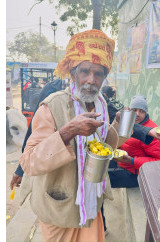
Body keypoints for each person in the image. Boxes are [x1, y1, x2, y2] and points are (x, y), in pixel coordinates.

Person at [19, 29, 128, 242]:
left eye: (98, 74)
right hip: (60, 207)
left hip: (90, 202)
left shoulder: (101, 104)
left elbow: (104, 147)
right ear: (72, 72)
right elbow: (28, 161)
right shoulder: (52, 106)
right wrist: (68, 132)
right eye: (85, 71)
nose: (91, 80)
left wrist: (118, 123)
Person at [108, 95, 160, 188]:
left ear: (145, 113)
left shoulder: (152, 132)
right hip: (123, 163)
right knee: (102, 165)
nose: (137, 114)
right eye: (134, 110)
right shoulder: (128, 123)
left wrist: (132, 161)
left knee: (105, 179)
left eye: (142, 111)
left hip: (137, 174)